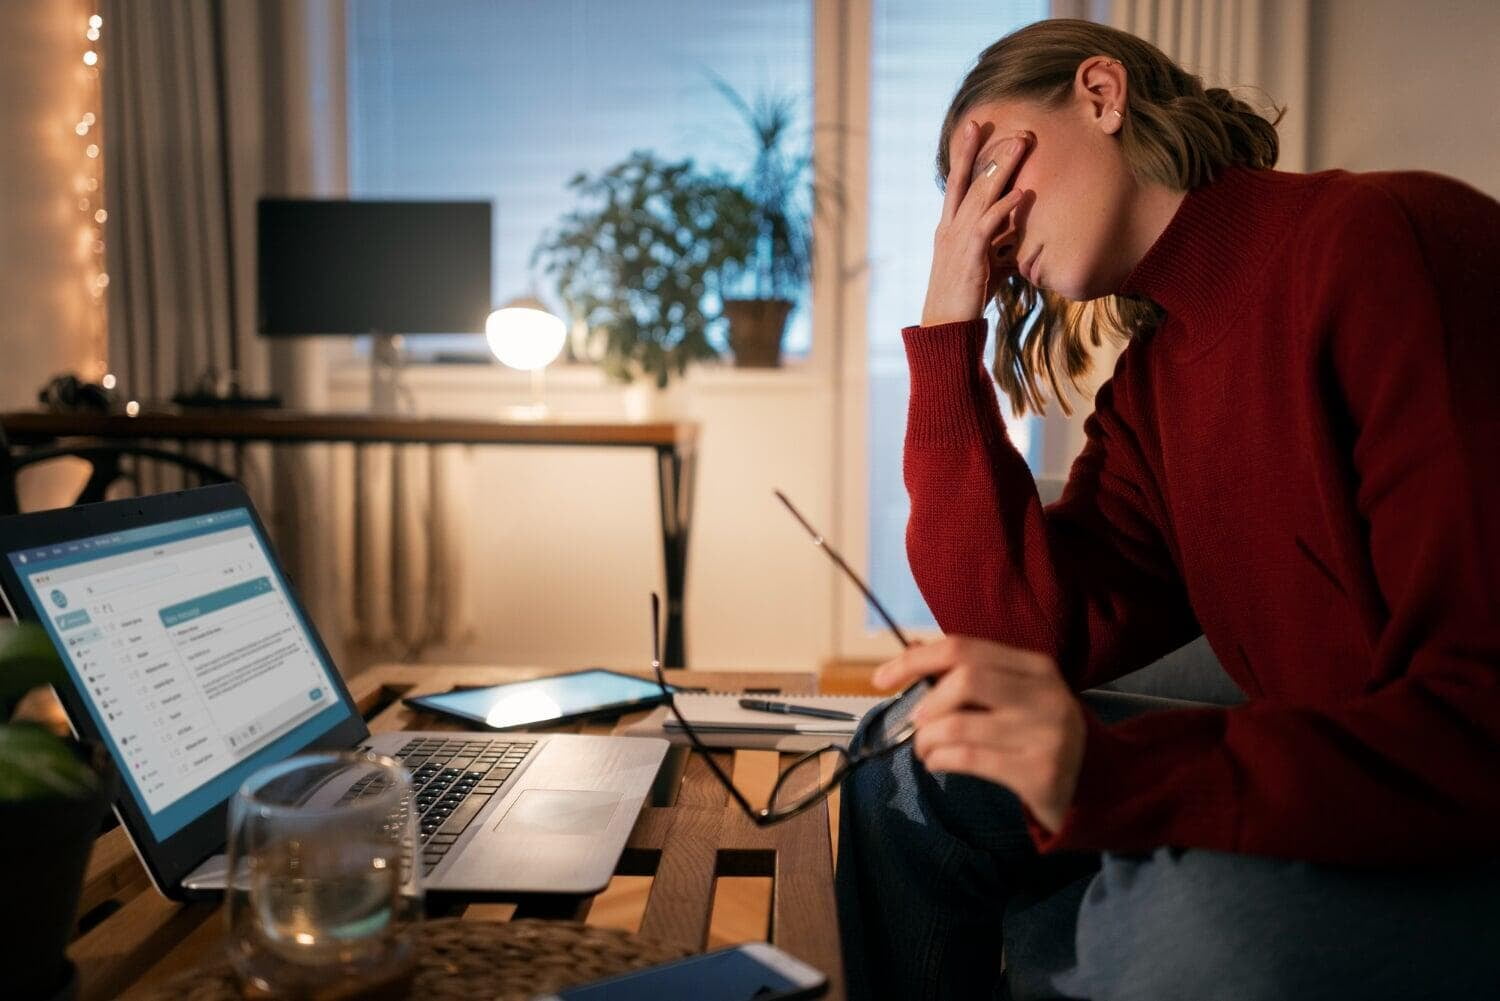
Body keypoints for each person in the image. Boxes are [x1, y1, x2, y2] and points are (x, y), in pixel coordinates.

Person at [836, 18, 1500, 1001]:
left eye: (989, 163)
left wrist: (1123, 778)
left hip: (1458, 804)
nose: (978, 220)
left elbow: (1477, 718)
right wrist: (945, 333)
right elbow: (1019, 637)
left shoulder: (1379, 240)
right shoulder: (1152, 389)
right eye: (956, 196)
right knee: (913, 746)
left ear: (1101, 94)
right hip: (1348, 784)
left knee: (1186, 921)